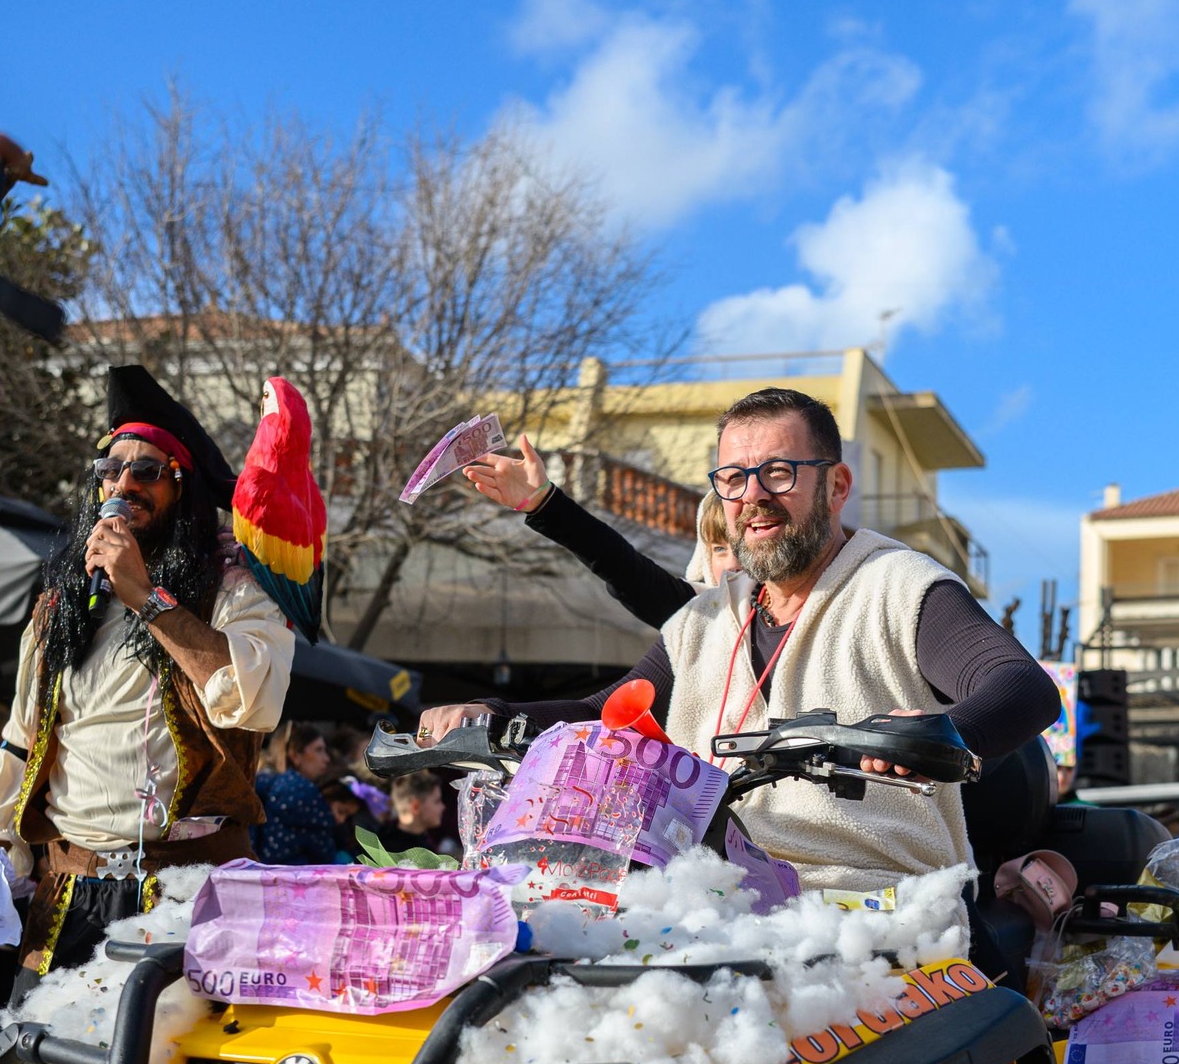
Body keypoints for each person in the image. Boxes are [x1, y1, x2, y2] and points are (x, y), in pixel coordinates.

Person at [419, 388, 1060, 920]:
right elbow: (605, 716)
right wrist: (490, 716)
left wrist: (941, 736)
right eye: (733, 479)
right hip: (713, 900)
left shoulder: (898, 583)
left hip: (872, 905)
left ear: (836, 485)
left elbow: (1021, 685)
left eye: (779, 473)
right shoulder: (707, 618)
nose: (753, 495)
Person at [0, 366, 294, 995]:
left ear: (182, 487)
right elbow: (22, 739)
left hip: (187, 893)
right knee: (34, 1053)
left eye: (148, 471)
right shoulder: (58, 609)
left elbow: (253, 702)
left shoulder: (232, 588)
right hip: (67, 893)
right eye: (111, 471)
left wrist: (146, 597)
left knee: (164, 1056)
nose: (124, 486)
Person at [460, 435, 737, 627]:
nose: (732, 565)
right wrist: (544, 503)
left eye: (741, 548)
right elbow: (622, 567)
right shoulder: (698, 614)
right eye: (719, 549)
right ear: (704, 557)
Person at [255, 722, 337, 865]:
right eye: (318, 750)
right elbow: (325, 853)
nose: (326, 758)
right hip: (298, 874)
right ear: (295, 756)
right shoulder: (306, 793)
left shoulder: (258, 785)